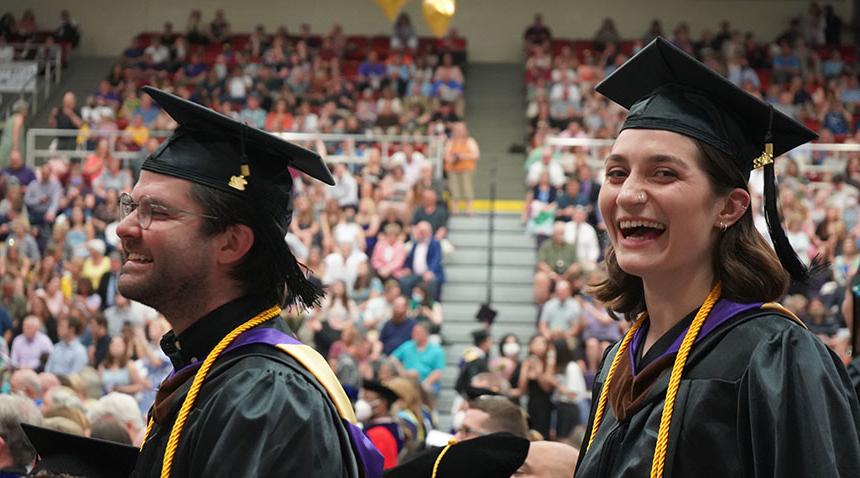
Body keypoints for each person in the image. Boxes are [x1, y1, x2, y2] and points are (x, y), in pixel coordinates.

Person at [575, 38, 860, 477]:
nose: (628, 193)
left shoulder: (776, 357)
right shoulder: (618, 359)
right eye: (616, 173)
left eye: (663, 173)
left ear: (729, 207)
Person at [116, 87, 381, 477]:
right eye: (131, 206)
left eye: (154, 211)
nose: (124, 228)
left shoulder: (265, 396)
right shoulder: (211, 368)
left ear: (232, 243)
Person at [358, 381, 405, 470]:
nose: (362, 403)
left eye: (367, 399)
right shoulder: (390, 427)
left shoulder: (380, 434)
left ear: (382, 403)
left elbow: (383, 470)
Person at [443, 122, 480, 216]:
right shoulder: (450, 141)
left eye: (461, 130)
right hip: (453, 169)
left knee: (468, 189)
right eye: (457, 130)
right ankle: (455, 209)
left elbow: (476, 155)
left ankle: (469, 209)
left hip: (467, 169)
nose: (459, 132)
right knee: (454, 189)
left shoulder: (470, 141)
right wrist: (453, 158)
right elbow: (446, 155)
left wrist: (461, 156)